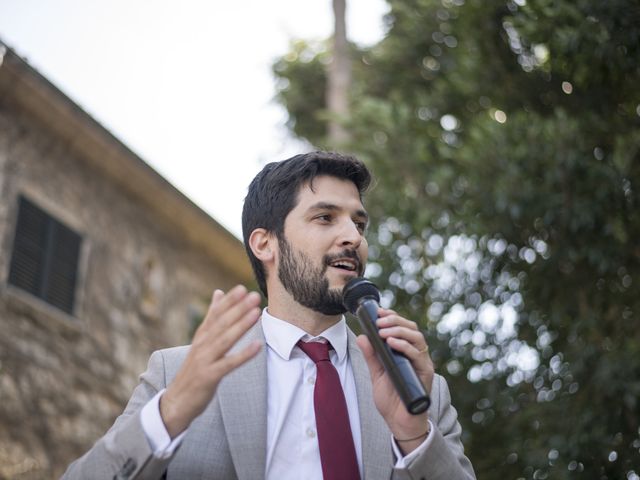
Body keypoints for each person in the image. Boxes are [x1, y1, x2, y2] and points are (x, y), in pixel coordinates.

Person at [63, 151, 475, 479]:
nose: (353, 237)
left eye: (359, 224)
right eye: (325, 217)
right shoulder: (176, 373)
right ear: (265, 244)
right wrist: (171, 413)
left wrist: (414, 437)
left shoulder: (420, 391)